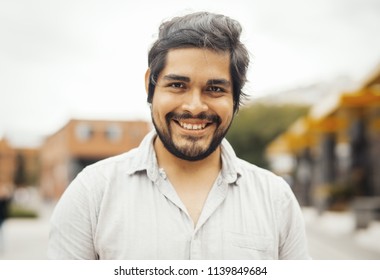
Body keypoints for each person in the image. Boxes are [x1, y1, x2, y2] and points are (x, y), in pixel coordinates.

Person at [48, 11, 310, 260]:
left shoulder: (275, 199)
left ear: (235, 98)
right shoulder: (92, 193)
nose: (195, 106)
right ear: (150, 85)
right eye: (177, 85)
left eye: (215, 88)